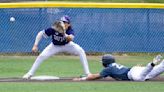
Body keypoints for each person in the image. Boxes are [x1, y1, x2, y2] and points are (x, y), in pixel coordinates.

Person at [23, 15, 91, 79]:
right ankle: (30, 73)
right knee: (41, 56)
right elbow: (41, 33)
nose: (62, 24)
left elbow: (70, 38)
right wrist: (35, 45)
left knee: (81, 51)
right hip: (54, 46)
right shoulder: (55, 28)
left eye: (65, 22)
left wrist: (64, 33)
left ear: (69, 24)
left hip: (67, 45)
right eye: (61, 22)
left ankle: (87, 74)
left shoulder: (70, 30)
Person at [74, 54, 164, 81]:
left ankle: (152, 64)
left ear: (105, 63)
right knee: (160, 69)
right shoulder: (112, 66)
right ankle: (152, 65)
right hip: (135, 70)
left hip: (134, 74)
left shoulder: (108, 69)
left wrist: (83, 78)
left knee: (140, 78)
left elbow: (94, 77)